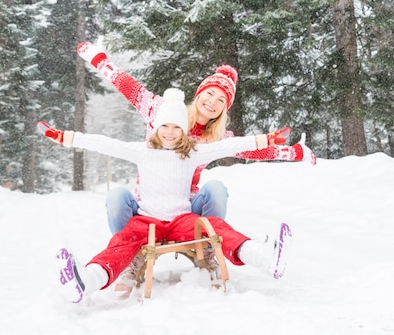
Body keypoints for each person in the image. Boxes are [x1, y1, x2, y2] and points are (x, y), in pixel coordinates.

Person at [38, 88, 292, 304]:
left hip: (182, 220)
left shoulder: (192, 153)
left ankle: (263, 257)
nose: (170, 132)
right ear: (156, 128)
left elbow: (229, 145)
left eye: (176, 127)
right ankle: (86, 281)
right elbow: (104, 143)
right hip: (146, 220)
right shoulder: (142, 151)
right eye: (164, 126)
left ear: (183, 130)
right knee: (122, 241)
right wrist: (65, 137)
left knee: (214, 226)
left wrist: (267, 140)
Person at [77, 41, 315, 236]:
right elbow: (127, 86)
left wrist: (294, 152)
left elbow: (252, 151)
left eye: (221, 100)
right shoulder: (161, 109)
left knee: (217, 189)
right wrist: (99, 59)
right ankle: (129, 256)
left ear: (224, 109)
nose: (213, 102)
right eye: (210, 93)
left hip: (185, 209)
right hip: (147, 205)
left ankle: (211, 246)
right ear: (199, 94)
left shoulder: (217, 138)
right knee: (117, 197)